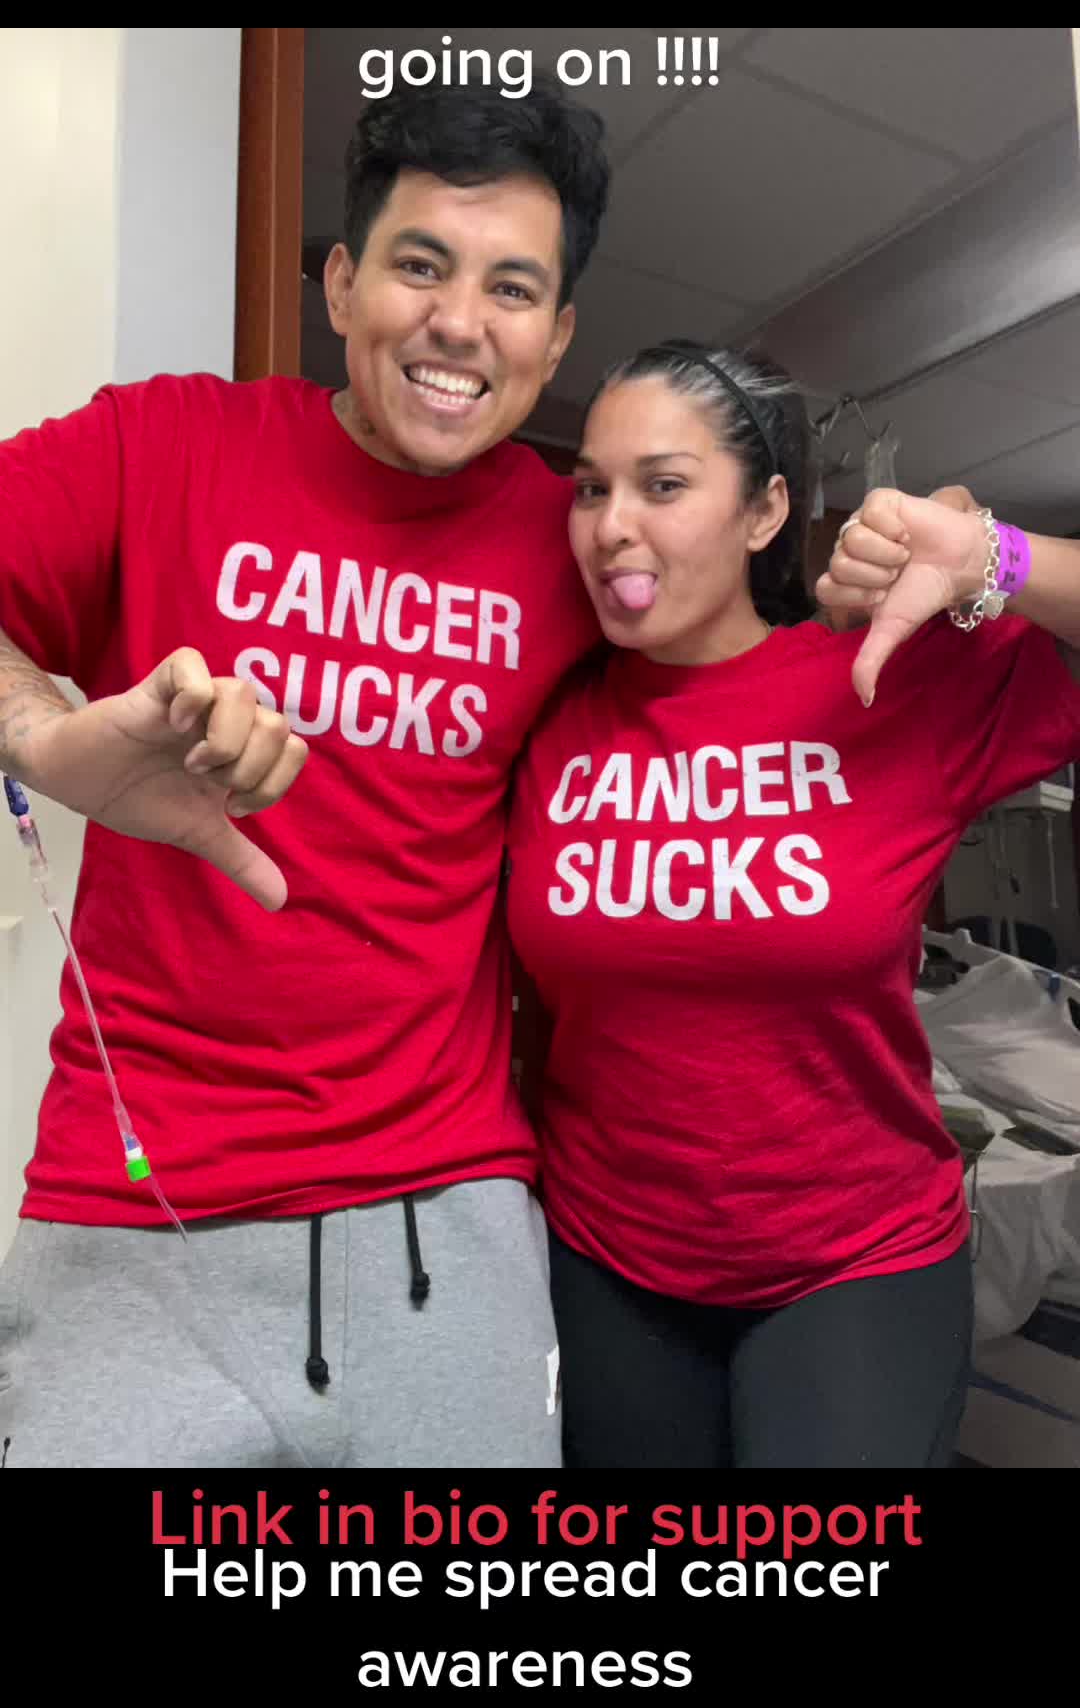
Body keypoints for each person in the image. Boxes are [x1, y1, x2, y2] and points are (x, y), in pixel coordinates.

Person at [0, 76, 611, 1468]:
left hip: (448, 1223)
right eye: (419, 265)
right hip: (131, 1211)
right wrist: (42, 737)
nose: (461, 322)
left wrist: (972, 566)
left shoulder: (578, 545)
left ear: (558, 335)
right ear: (340, 286)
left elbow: (753, 688)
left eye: (513, 288)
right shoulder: (164, 443)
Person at [504, 337, 1080, 1468]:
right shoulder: (544, 714)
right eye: (591, 489)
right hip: (608, 1260)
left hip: (856, 1265)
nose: (612, 525)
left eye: (663, 485)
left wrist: (993, 555)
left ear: (765, 511)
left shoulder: (885, 680)